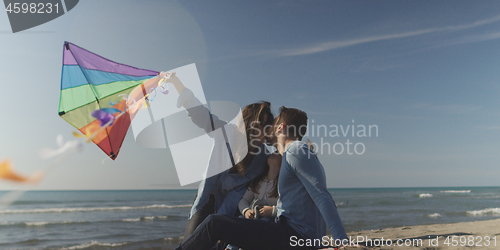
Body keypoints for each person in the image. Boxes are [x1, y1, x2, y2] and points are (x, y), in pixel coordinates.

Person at [175, 106, 349, 250]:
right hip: (289, 233)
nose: (267, 131)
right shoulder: (286, 156)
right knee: (225, 234)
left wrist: (341, 240)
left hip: (295, 237)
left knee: (213, 224)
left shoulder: (296, 150)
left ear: (280, 128)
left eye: (271, 126)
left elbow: (322, 196)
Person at [166, 74, 275, 239]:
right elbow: (201, 115)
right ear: (249, 122)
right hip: (206, 201)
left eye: (267, 126)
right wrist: (176, 83)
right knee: (191, 242)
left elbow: (283, 159)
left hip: (232, 209)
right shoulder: (227, 132)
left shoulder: (263, 156)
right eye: (260, 124)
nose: (263, 129)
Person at [238, 153, 281, 221]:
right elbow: (244, 200)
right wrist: (246, 211)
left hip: (271, 222)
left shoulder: (282, 184)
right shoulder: (258, 181)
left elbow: (289, 207)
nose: (274, 153)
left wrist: (273, 210)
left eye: (278, 153)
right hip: (254, 219)